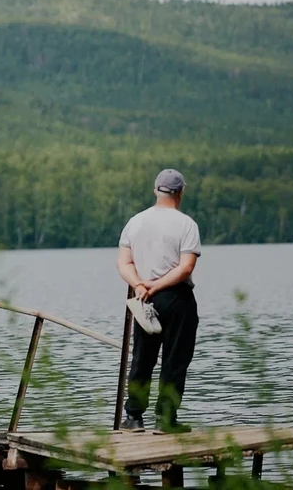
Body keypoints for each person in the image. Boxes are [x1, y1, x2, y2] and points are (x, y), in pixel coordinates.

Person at [117, 168, 201, 434]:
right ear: (180, 193)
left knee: (142, 357)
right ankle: (165, 418)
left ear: (155, 190)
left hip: (143, 299)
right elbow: (186, 268)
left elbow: (124, 262)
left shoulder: (135, 222)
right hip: (176, 298)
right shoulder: (186, 224)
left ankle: (134, 417)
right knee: (175, 359)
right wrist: (158, 284)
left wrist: (140, 284)